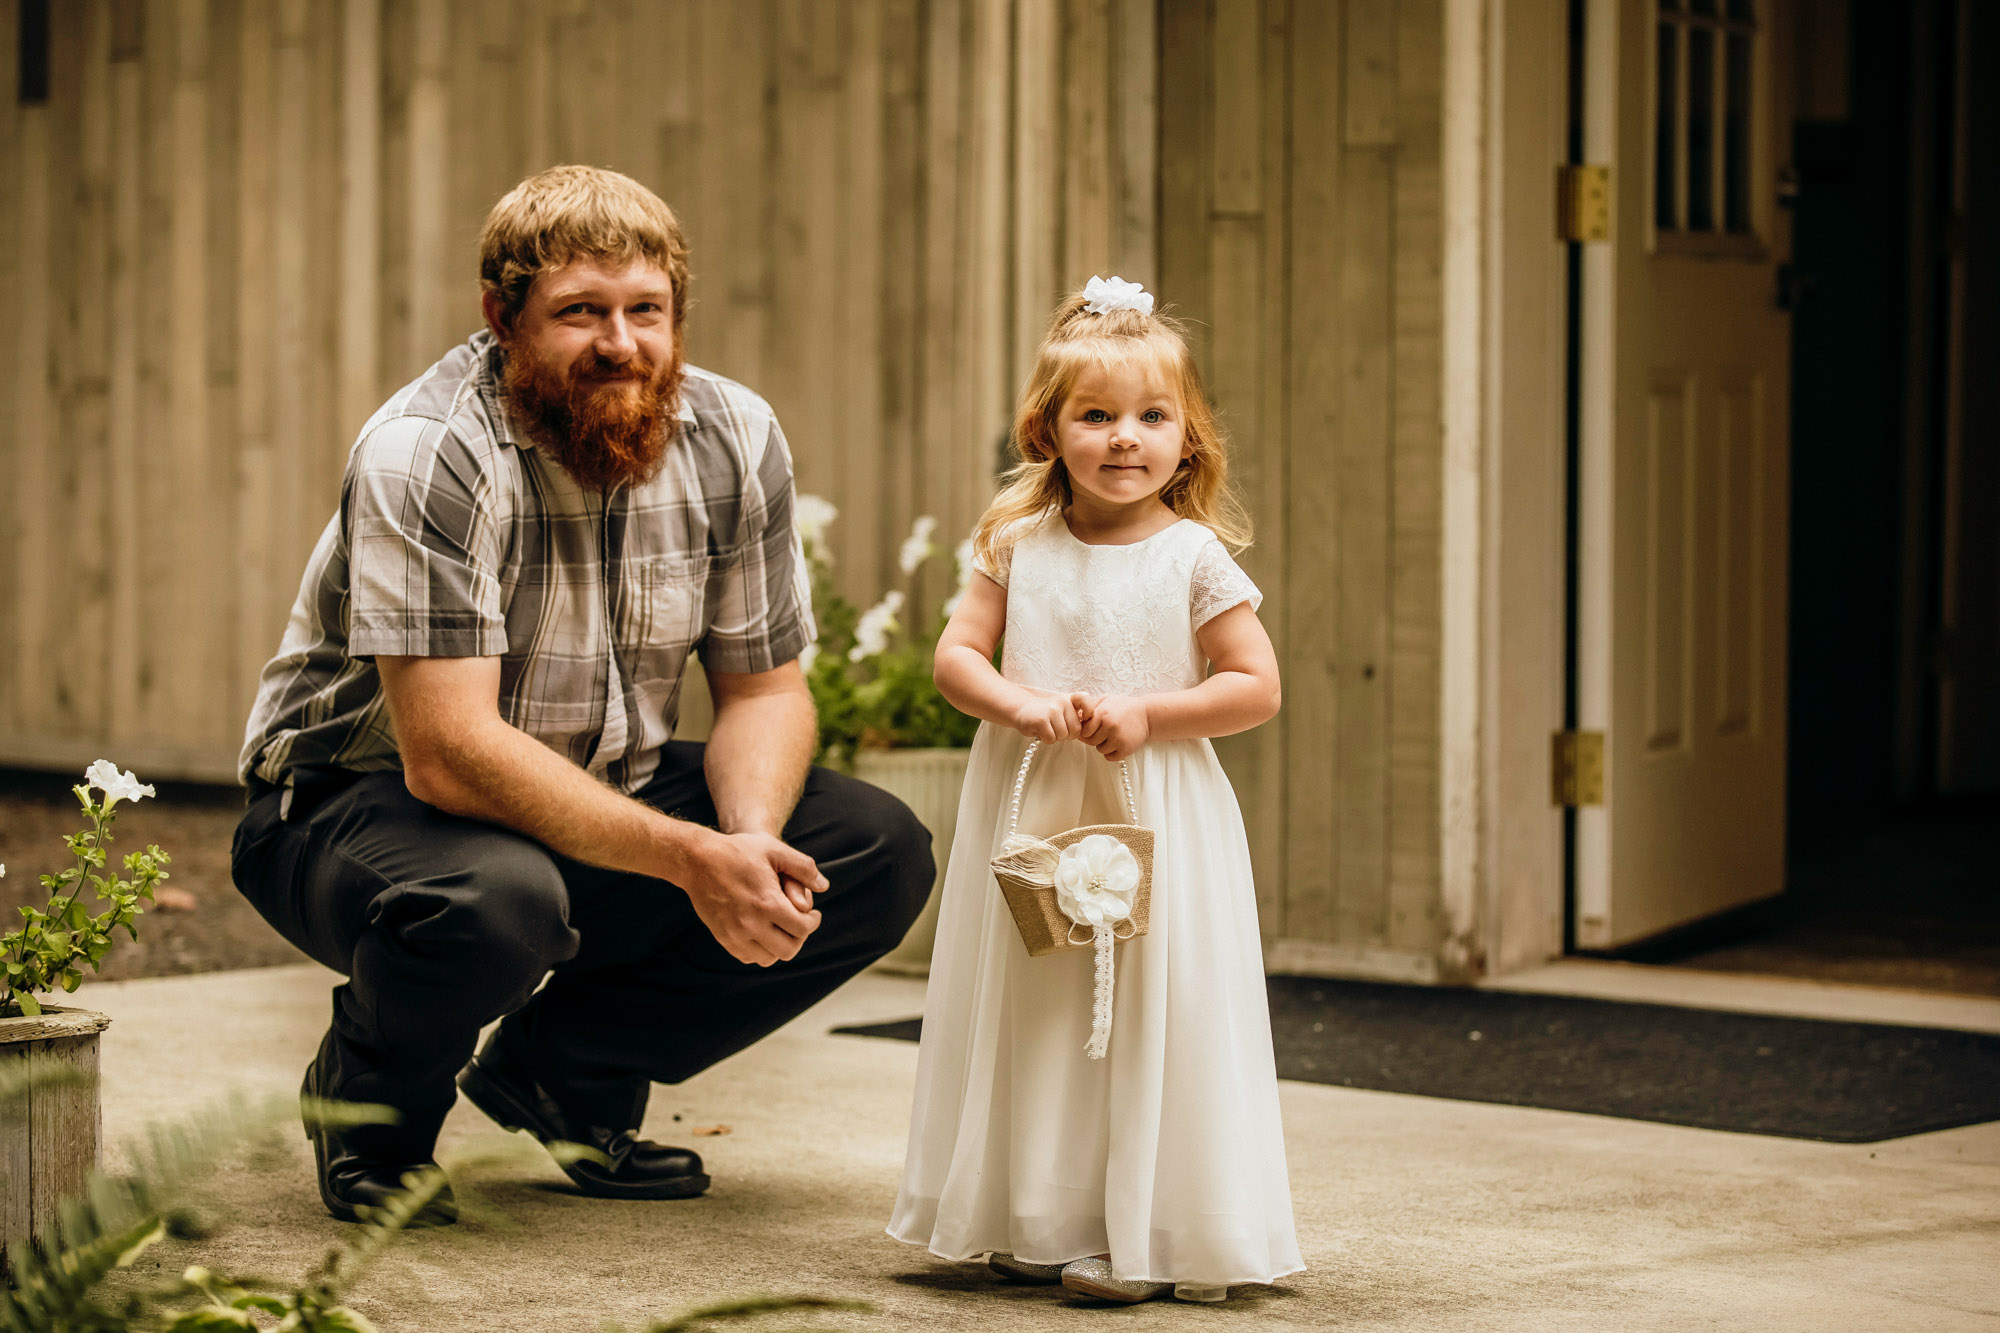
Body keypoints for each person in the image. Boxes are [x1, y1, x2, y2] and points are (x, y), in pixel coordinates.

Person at [231, 165, 933, 1226]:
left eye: (645, 310)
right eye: (579, 312)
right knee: (490, 905)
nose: (620, 342)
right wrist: (690, 860)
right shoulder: (429, 452)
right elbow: (448, 750)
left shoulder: (732, 436)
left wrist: (744, 844)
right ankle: (370, 1117)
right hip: (355, 807)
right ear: (501, 317)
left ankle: (568, 1071)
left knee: (871, 849)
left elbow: (765, 692)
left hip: (599, 779)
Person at [886, 277, 1303, 1303]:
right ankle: (1038, 1212)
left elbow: (1255, 686)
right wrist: (1019, 705)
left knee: (1148, 1007)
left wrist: (1150, 714)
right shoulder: (1016, 543)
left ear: (1188, 438)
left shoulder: (1192, 556)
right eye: (1097, 415)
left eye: (1152, 416)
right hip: (1036, 802)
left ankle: (1147, 1229)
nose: (1126, 438)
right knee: (1041, 1004)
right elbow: (955, 658)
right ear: (1048, 428)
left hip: (1147, 807)